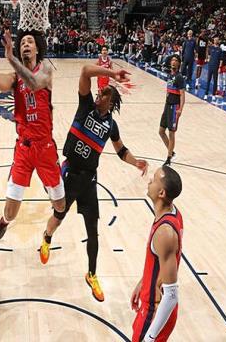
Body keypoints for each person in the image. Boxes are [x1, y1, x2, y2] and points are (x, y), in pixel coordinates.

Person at [39, 64, 147, 302]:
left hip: (89, 179)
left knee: (93, 231)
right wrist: (111, 74)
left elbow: (121, 151)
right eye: (100, 92)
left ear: (111, 102)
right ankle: (46, 237)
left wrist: (136, 162)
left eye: (104, 94)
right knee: (58, 217)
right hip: (70, 172)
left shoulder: (111, 125)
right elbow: (86, 71)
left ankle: (92, 274)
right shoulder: (86, 105)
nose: (99, 94)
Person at [0, 25, 66, 240]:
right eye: (22, 43)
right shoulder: (15, 79)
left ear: (37, 49)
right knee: (11, 212)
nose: (26, 45)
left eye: (30, 42)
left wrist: (11, 58)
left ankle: (48, 232)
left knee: (60, 205)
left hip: (45, 148)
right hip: (24, 148)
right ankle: (3, 222)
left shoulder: (46, 70)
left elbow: (34, 83)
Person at [131, 166, 183, 342]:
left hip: (155, 311)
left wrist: (150, 337)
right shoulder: (172, 213)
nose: (149, 181)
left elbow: (172, 295)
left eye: (154, 179)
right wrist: (143, 282)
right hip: (152, 303)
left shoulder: (164, 233)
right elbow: (161, 261)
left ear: (161, 193)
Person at [159, 55, 185, 166]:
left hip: (174, 107)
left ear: (179, 63)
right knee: (161, 131)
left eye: (176, 60)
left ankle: (169, 158)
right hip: (167, 105)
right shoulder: (170, 75)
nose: (173, 62)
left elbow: (182, 94)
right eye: (172, 60)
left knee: (171, 133)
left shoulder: (179, 77)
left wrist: (180, 109)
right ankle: (172, 152)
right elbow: (168, 90)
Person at [204, 36, 222, 102]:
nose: (216, 41)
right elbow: (208, 53)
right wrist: (207, 59)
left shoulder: (220, 49)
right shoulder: (211, 48)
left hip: (216, 67)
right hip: (210, 66)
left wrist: (219, 67)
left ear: (218, 41)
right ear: (213, 41)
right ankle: (206, 94)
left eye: (217, 40)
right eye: (215, 40)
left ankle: (213, 95)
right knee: (208, 80)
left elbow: (221, 60)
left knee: (215, 81)